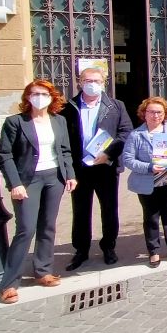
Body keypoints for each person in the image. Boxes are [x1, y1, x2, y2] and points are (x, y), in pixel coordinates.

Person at [0, 79, 77, 304]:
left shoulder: (58, 121)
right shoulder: (15, 122)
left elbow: (65, 150)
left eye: (43, 93)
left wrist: (69, 175)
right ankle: (9, 284)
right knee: (25, 229)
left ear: (52, 97)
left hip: (54, 178)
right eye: (34, 93)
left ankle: (43, 271)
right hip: (27, 181)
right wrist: (15, 183)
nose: (39, 97)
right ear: (27, 97)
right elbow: (5, 155)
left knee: (48, 226)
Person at [61, 66, 132, 271]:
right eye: (87, 80)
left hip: (105, 167)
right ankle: (81, 250)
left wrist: (108, 154)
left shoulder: (116, 106)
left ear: (103, 83)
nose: (92, 84)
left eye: (96, 81)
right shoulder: (69, 107)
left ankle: (108, 247)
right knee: (81, 210)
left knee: (109, 209)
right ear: (80, 82)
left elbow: (125, 132)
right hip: (80, 168)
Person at [122, 97, 167, 267]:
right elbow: (128, 159)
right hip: (147, 183)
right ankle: (154, 251)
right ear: (144, 114)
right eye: (151, 112)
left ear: (165, 114)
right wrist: (149, 167)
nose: (155, 115)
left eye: (159, 112)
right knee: (151, 218)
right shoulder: (136, 135)